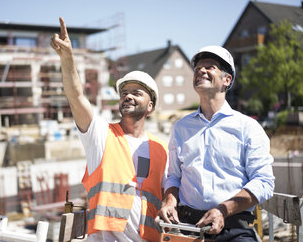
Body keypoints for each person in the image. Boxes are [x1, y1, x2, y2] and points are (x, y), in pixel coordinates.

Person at [51, 17, 168, 242]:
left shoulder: (162, 149)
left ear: (150, 106)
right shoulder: (102, 135)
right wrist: (68, 60)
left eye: (137, 92)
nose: (128, 96)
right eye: (125, 92)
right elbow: (75, 97)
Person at [158, 45, 275, 241]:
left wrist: (223, 210)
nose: (201, 71)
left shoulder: (248, 128)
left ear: (226, 80)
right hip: (190, 229)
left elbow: (264, 182)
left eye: (210, 67)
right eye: (197, 69)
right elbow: (173, 177)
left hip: (235, 229)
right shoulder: (180, 128)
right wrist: (169, 200)